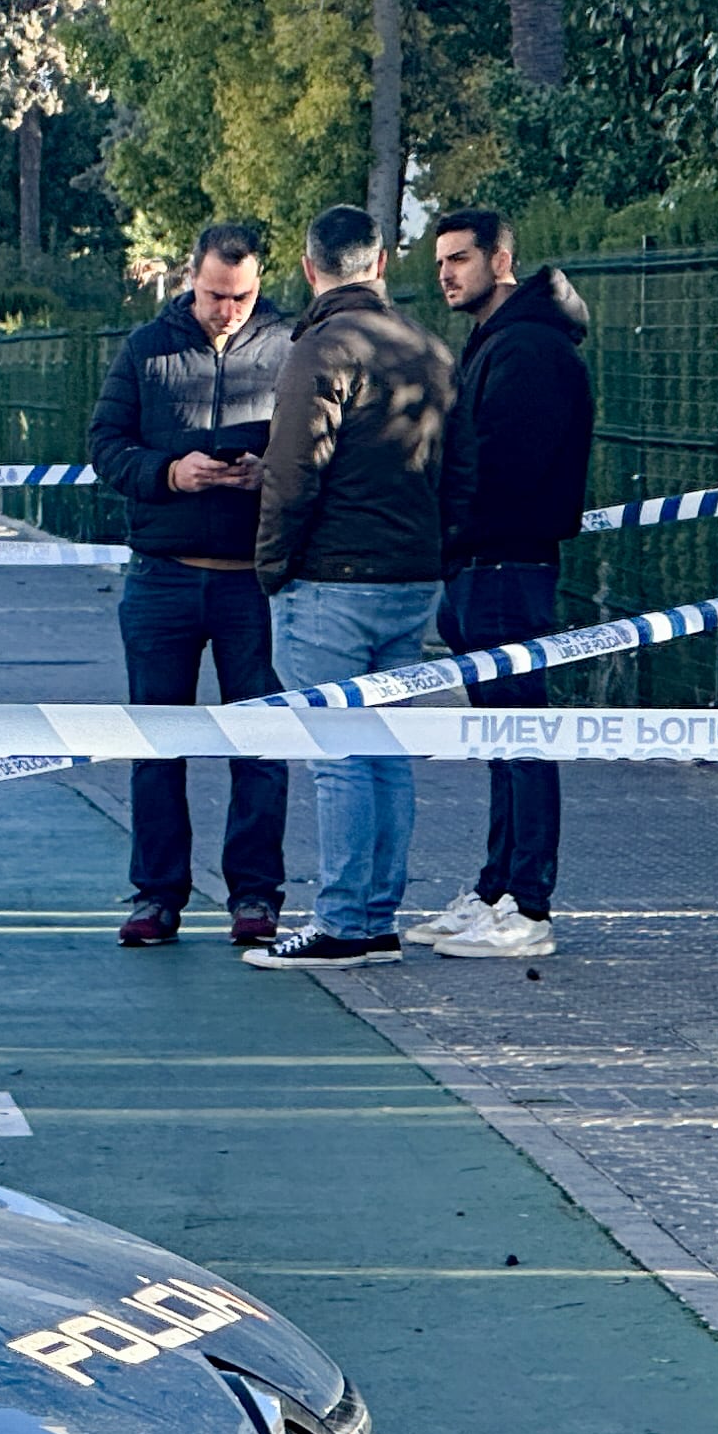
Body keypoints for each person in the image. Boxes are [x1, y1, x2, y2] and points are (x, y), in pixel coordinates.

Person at [247, 202, 452, 969]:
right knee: (387, 751)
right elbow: (454, 465)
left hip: (331, 577)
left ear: (308, 268)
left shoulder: (320, 348)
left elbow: (294, 471)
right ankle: (376, 918)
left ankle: (339, 923)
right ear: (382, 263)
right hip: (411, 575)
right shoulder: (428, 346)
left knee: (337, 754)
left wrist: (273, 564)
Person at [87, 221, 294, 946]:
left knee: (263, 743)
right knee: (156, 740)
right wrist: (170, 474)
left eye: (240, 297)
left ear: (260, 286)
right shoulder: (146, 348)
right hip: (162, 578)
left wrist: (269, 478)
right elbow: (106, 446)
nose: (226, 310)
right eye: (213, 295)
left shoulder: (289, 348)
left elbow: (317, 454)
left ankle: (256, 897)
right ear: (190, 278)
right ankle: (156, 895)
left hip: (254, 585)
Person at [411, 208, 592, 961]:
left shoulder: (528, 350)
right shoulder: (497, 343)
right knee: (500, 738)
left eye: (460, 258)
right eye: (441, 262)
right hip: (482, 566)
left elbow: (501, 470)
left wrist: (456, 529)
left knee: (522, 736)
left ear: (501, 260)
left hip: (506, 569)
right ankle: (496, 890)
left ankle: (530, 906)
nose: (448, 273)